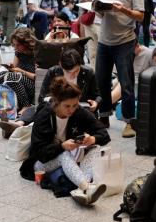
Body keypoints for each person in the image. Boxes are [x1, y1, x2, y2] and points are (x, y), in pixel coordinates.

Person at [21, 77, 110, 206]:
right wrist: (62, 146)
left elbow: (104, 134)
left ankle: (81, 189)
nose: (71, 110)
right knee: (64, 154)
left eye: (75, 105)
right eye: (67, 106)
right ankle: (87, 187)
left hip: (72, 157)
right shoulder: (44, 116)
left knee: (95, 147)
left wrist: (92, 139)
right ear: (57, 102)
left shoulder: (79, 112)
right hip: (40, 163)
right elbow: (40, 153)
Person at [93, 0, 145, 138]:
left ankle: (130, 120)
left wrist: (124, 10)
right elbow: (99, 12)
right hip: (104, 39)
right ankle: (104, 115)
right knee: (102, 80)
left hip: (124, 40)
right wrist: (97, 9)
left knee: (126, 82)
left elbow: (141, 15)